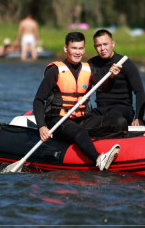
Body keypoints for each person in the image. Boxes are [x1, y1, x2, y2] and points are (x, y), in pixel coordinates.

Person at [33, 32, 126, 171]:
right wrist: (41, 126)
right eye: (74, 48)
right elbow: (38, 100)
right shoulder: (55, 70)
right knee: (79, 132)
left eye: (81, 48)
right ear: (66, 49)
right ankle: (98, 159)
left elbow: (104, 87)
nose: (78, 52)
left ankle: (118, 152)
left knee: (120, 122)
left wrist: (111, 76)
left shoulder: (87, 69)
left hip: (80, 118)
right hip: (58, 120)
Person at [88, 29, 145, 126]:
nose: (102, 48)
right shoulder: (91, 64)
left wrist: (139, 118)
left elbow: (140, 92)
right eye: (98, 45)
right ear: (95, 47)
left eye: (105, 44)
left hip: (122, 109)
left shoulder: (125, 63)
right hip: (101, 110)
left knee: (114, 118)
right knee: (85, 119)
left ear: (112, 44)